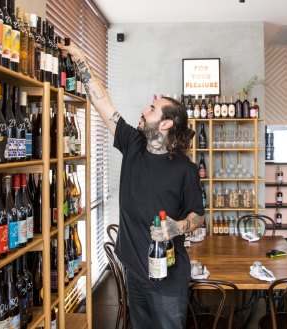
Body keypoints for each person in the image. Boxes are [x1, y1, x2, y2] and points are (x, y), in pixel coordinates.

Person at [59, 42, 205, 329]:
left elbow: (197, 217)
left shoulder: (185, 169)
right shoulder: (133, 144)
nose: (143, 110)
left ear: (165, 124)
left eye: (151, 109)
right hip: (135, 271)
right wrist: (81, 59)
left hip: (169, 277)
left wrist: (176, 227)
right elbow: (103, 104)